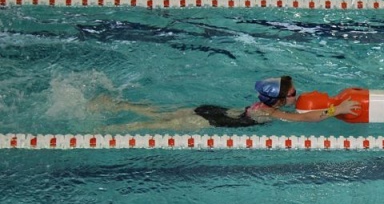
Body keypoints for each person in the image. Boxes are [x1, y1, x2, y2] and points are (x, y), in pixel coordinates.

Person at [92, 75, 360, 131]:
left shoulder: (263, 106)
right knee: (149, 127)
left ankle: (119, 105)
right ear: (280, 101)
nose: (297, 96)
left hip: (209, 109)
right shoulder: (270, 114)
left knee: (156, 114)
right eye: (293, 94)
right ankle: (105, 132)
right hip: (204, 120)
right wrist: (337, 109)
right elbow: (305, 118)